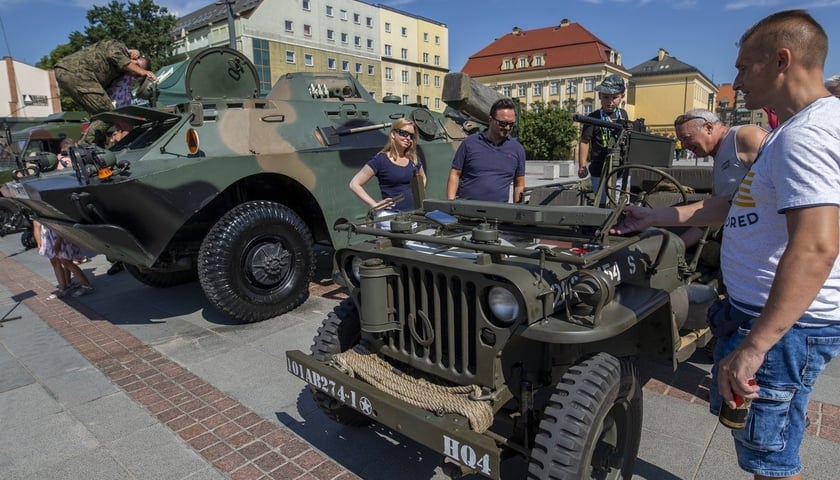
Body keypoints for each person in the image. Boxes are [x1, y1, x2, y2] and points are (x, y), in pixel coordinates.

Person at [611, 10, 840, 480]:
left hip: (780, 329)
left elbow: (817, 247)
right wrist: (652, 217)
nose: (734, 80)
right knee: (757, 442)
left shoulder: (806, 136)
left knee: (770, 457)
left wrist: (755, 347)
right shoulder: (790, 133)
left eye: (742, 67)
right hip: (760, 314)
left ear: (782, 60)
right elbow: (734, 206)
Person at [672, 109, 768, 247]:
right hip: (742, 248)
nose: (684, 146)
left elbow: (784, 183)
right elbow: (713, 215)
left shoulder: (744, 136)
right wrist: (677, 247)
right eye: (681, 141)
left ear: (709, 128)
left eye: (686, 138)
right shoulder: (718, 159)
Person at [54, 40, 156, 147]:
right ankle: (83, 147)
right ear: (133, 58)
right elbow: (116, 56)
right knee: (108, 114)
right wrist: (142, 71)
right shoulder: (118, 46)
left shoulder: (119, 71)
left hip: (72, 74)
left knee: (100, 116)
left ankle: (93, 147)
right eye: (136, 65)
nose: (134, 70)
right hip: (77, 72)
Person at [446, 98, 526, 203]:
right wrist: (450, 204)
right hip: (467, 211)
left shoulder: (517, 149)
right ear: (490, 120)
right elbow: (455, 174)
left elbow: (519, 184)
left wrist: (518, 212)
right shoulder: (470, 143)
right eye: (502, 123)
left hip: (498, 214)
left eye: (511, 124)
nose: (507, 128)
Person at [349, 119, 426, 219]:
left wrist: (417, 194)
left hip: (413, 215)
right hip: (390, 217)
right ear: (393, 134)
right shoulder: (381, 160)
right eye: (404, 133)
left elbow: (423, 177)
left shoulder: (413, 159)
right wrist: (375, 205)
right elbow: (354, 184)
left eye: (411, 136)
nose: (408, 138)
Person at [577, 74, 630, 203]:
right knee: (601, 203)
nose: (610, 101)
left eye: (614, 97)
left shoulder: (623, 114)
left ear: (622, 96)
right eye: (606, 97)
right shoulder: (592, 117)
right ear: (600, 95)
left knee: (622, 203)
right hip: (599, 169)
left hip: (620, 170)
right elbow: (585, 141)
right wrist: (582, 165)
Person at [33, 220, 94, 298]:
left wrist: (58, 241)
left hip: (59, 233)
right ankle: (62, 288)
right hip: (47, 236)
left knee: (65, 261)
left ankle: (86, 285)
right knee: (54, 261)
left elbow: (59, 224)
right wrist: (39, 242)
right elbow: (36, 224)